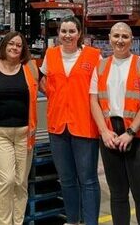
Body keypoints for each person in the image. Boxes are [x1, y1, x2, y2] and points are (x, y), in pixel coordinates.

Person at [90, 23, 140, 225]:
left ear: (132, 40)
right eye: (116, 36)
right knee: (118, 194)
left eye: (125, 37)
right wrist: (104, 132)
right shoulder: (101, 66)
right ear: (110, 38)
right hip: (110, 137)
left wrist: (130, 132)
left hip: (139, 139)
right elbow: (93, 100)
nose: (120, 40)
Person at [39, 16, 101, 225]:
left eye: (71, 31)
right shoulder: (51, 54)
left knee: (88, 180)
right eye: (63, 31)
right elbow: (43, 81)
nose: (67, 35)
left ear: (79, 33)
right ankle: (72, 220)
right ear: (58, 34)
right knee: (66, 179)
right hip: (58, 126)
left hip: (85, 125)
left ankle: (90, 221)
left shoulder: (93, 56)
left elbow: (102, 88)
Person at [0, 32, 39, 225]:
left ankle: (18, 221)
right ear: (4, 45)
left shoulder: (30, 67)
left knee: (21, 183)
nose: (15, 48)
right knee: (6, 181)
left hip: (25, 134)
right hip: (0, 134)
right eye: (11, 44)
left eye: (19, 45)